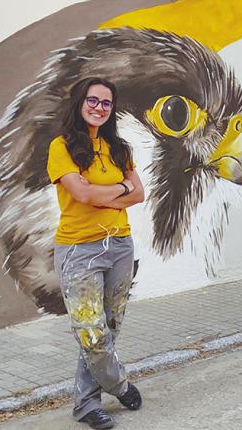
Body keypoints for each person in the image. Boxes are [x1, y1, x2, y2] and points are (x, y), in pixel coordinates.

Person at [47, 77, 144, 429]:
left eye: (106, 103)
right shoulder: (61, 147)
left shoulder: (120, 149)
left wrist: (107, 189)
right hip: (78, 249)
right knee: (91, 332)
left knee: (110, 328)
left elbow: (139, 194)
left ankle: (86, 406)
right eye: (93, 100)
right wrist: (121, 187)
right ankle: (119, 384)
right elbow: (82, 196)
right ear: (79, 102)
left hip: (119, 245)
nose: (99, 107)